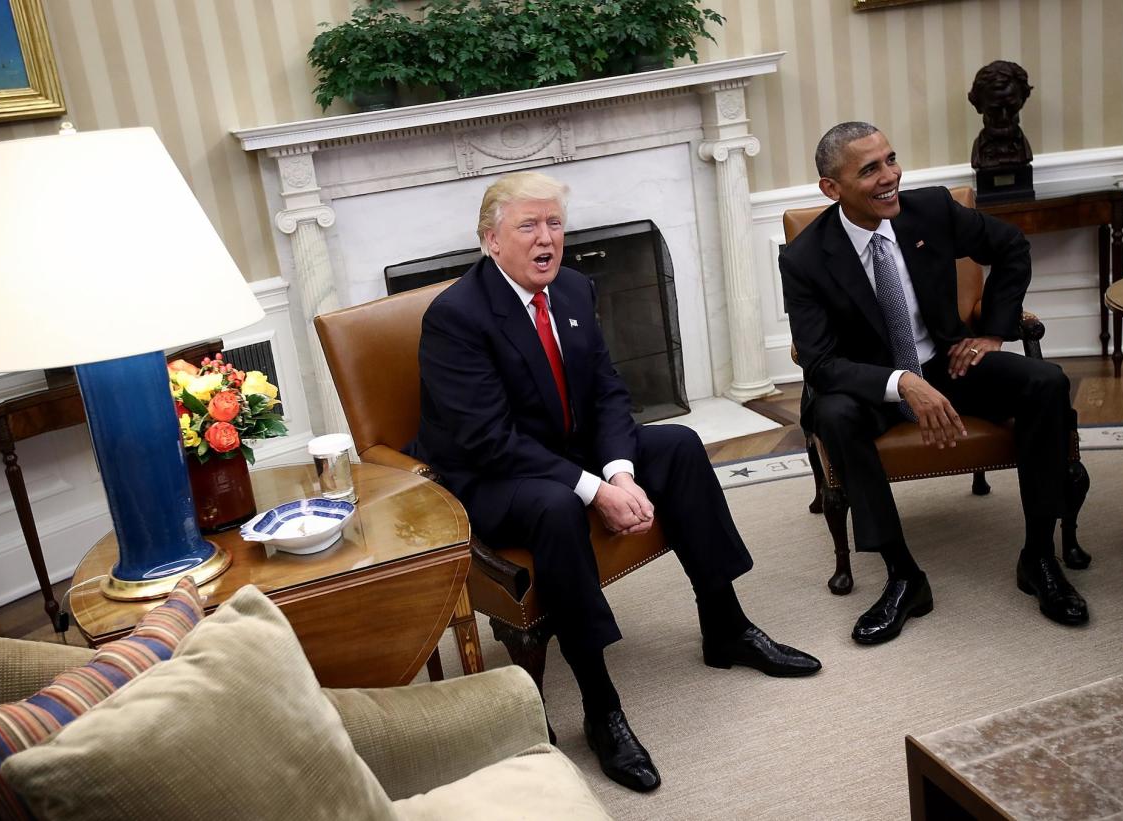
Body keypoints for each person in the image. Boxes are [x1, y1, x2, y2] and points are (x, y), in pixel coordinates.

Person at [415, 171, 821, 793]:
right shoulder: (456, 317)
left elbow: (607, 391)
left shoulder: (575, 289)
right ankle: (601, 706)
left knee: (680, 447)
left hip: (567, 452)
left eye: (554, 223)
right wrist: (593, 490)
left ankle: (727, 627)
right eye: (528, 226)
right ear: (491, 241)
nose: (546, 238)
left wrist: (619, 470)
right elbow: (487, 440)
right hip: (491, 477)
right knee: (555, 505)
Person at [779, 122, 1088, 647]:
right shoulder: (805, 258)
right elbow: (822, 363)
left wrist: (992, 331)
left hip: (949, 361)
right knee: (832, 414)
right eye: (870, 169)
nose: (890, 176)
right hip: (872, 383)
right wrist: (901, 382)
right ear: (831, 189)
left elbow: (1012, 246)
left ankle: (1038, 556)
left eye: (891, 160)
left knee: (1046, 383)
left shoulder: (931, 210)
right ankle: (904, 577)